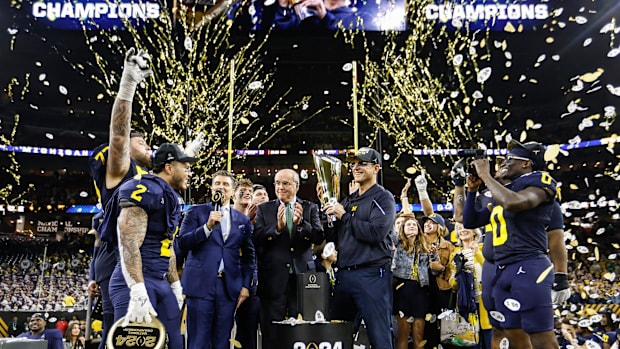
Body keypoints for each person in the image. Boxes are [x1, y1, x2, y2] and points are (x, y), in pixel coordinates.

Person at [87, 47, 153, 349]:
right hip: (120, 256)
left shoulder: (147, 176)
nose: (148, 145)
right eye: (142, 141)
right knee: (121, 331)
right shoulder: (121, 168)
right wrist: (128, 84)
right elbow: (118, 135)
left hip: (140, 253)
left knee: (139, 329)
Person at [464, 140, 559, 349]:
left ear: (526, 163)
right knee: (507, 332)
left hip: (528, 264)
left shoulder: (539, 180)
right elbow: (470, 222)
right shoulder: (504, 190)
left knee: (541, 336)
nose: (504, 164)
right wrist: (472, 190)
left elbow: (516, 203)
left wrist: (486, 176)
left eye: (509, 160)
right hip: (500, 268)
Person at [107, 143, 197, 349]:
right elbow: (128, 242)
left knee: (175, 341)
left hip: (159, 278)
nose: (189, 173)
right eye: (186, 167)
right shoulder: (143, 188)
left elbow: (168, 245)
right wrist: (137, 289)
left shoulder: (169, 195)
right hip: (136, 279)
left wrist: (175, 285)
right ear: (169, 167)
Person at [323, 147, 395, 349]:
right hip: (345, 275)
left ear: (376, 168)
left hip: (371, 275)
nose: (356, 167)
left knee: (379, 337)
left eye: (362, 163)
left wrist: (344, 216)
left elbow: (375, 233)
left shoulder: (383, 198)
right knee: (336, 337)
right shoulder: (349, 199)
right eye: (354, 163)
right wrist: (329, 214)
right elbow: (334, 237)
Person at [175, 171, 255, 349]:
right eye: (217, 183)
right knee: (198, 341)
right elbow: (182, 243)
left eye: (226, 184)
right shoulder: (196, 212)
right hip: (200, 285)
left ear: (233, 191)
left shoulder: (242, 220)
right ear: (212, 188)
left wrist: (245, 285)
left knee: (222, 341)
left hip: (228, 288)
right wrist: (206, 228)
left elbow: (249, 257)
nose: (221, 187)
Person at [254, 168, 324, 349]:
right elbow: (257, 238)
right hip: (273, 279)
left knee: (302, 330)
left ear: (297, 186)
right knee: (271, 331)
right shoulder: (264, 209)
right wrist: (277, 228)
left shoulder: (310, 208)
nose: (280, 187)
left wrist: (302, 224)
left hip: (303, 279)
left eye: (285, 183)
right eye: (277, 183)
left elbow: (318, 237)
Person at [391, 215, 430, 349]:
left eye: (414, 224)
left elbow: (435, 271)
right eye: (408, 225)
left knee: (419, 335)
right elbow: (391, 232)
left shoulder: (426, 247)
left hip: (420, 290)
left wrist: (437, 264)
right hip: (403, 289)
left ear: (419, 229)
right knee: (403, 335)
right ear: (402, 229)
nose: (412, 226)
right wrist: (404, 199)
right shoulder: (398, 244)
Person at [231, 179, 261, 349]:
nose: (247, 193)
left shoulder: (258, 222)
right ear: (234, 193)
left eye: (250, 190)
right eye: (243, 189)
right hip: (226, 279)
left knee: (247, 331)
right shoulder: (226, 216)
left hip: (249, 282)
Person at [273, 0, 360, 32]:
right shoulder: (307, 16)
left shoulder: (361, 19)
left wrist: (324, 16)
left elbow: (347, 43)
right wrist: (283, 7)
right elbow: (282, 39)